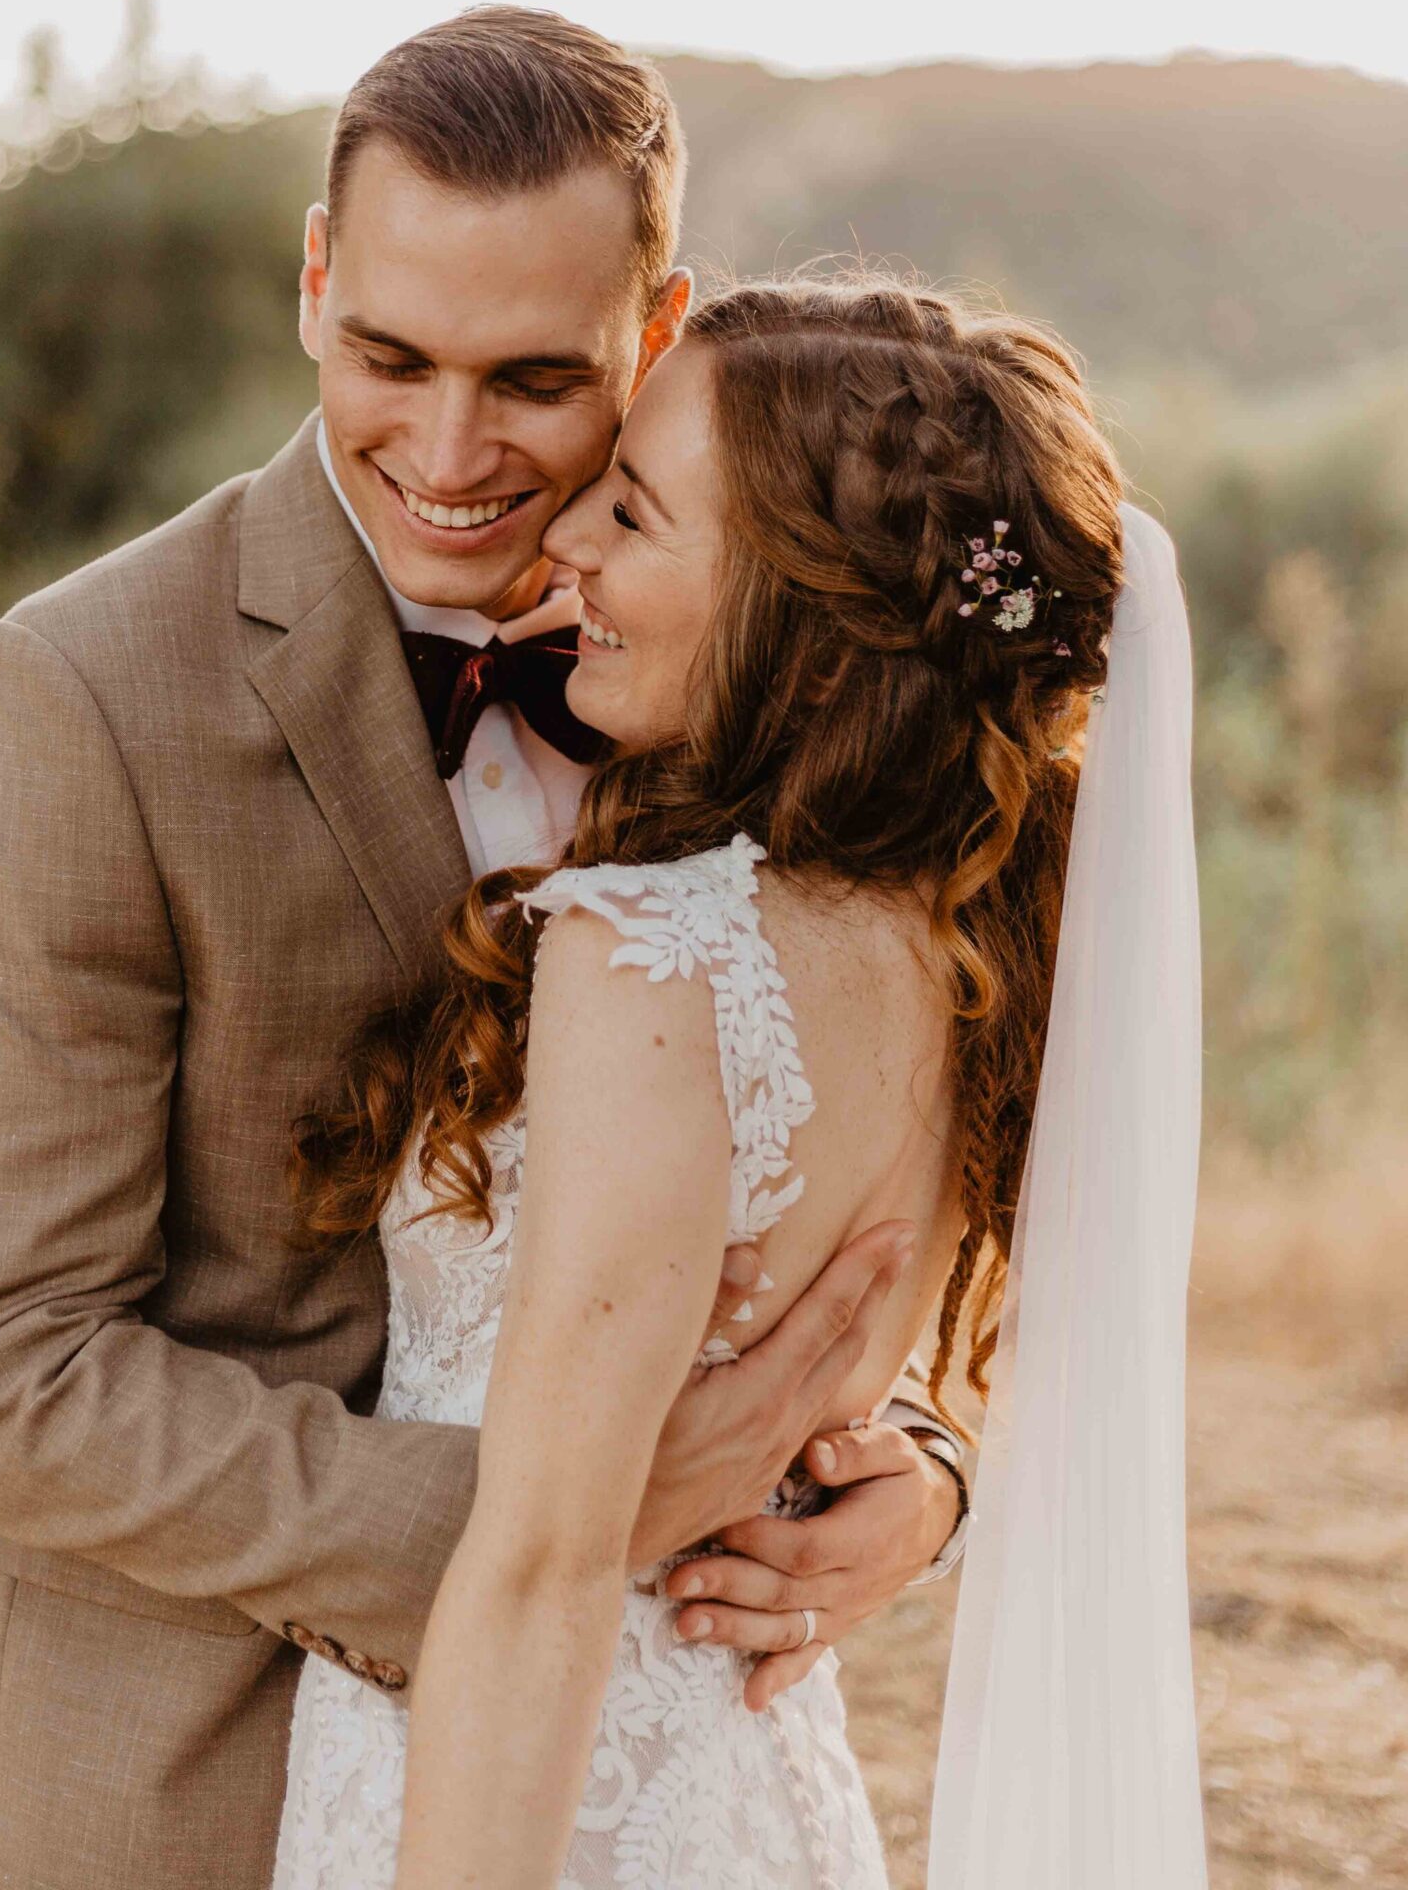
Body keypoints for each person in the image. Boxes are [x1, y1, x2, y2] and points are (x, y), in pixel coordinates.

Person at [0, 11, 967, 1890]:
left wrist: (919, 1475)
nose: (450, 452)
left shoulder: (746, 688)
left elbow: (846, 1167)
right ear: (314, 285)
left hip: (646, 1764)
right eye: (391, 355)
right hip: (179, 1784)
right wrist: (557, 1515)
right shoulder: (81, 695)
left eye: (537, 382)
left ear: (656, 327)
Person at [273, 274, 1206, 1887]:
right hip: (749, 1775)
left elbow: (547, 1567)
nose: (566, 546)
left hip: (531, 1802)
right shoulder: (968, 951)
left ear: (799, 610)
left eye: (633, 516)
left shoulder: (652, 949)